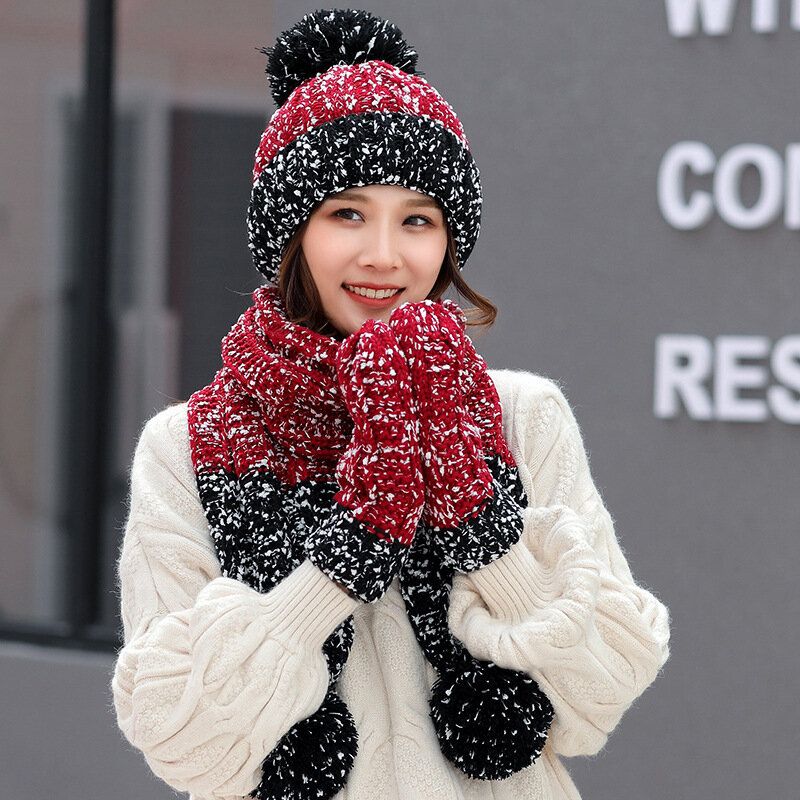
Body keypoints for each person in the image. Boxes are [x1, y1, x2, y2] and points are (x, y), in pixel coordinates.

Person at [111, 9, 671, 800]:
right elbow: (184, 743)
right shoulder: (188, 449)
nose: (383, 255)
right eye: (347, 213)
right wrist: (339, 565)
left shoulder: (519, 418)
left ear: (449, 241)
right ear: (292, 232)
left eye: (417, 219)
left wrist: (486, 532)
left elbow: (606, 690)